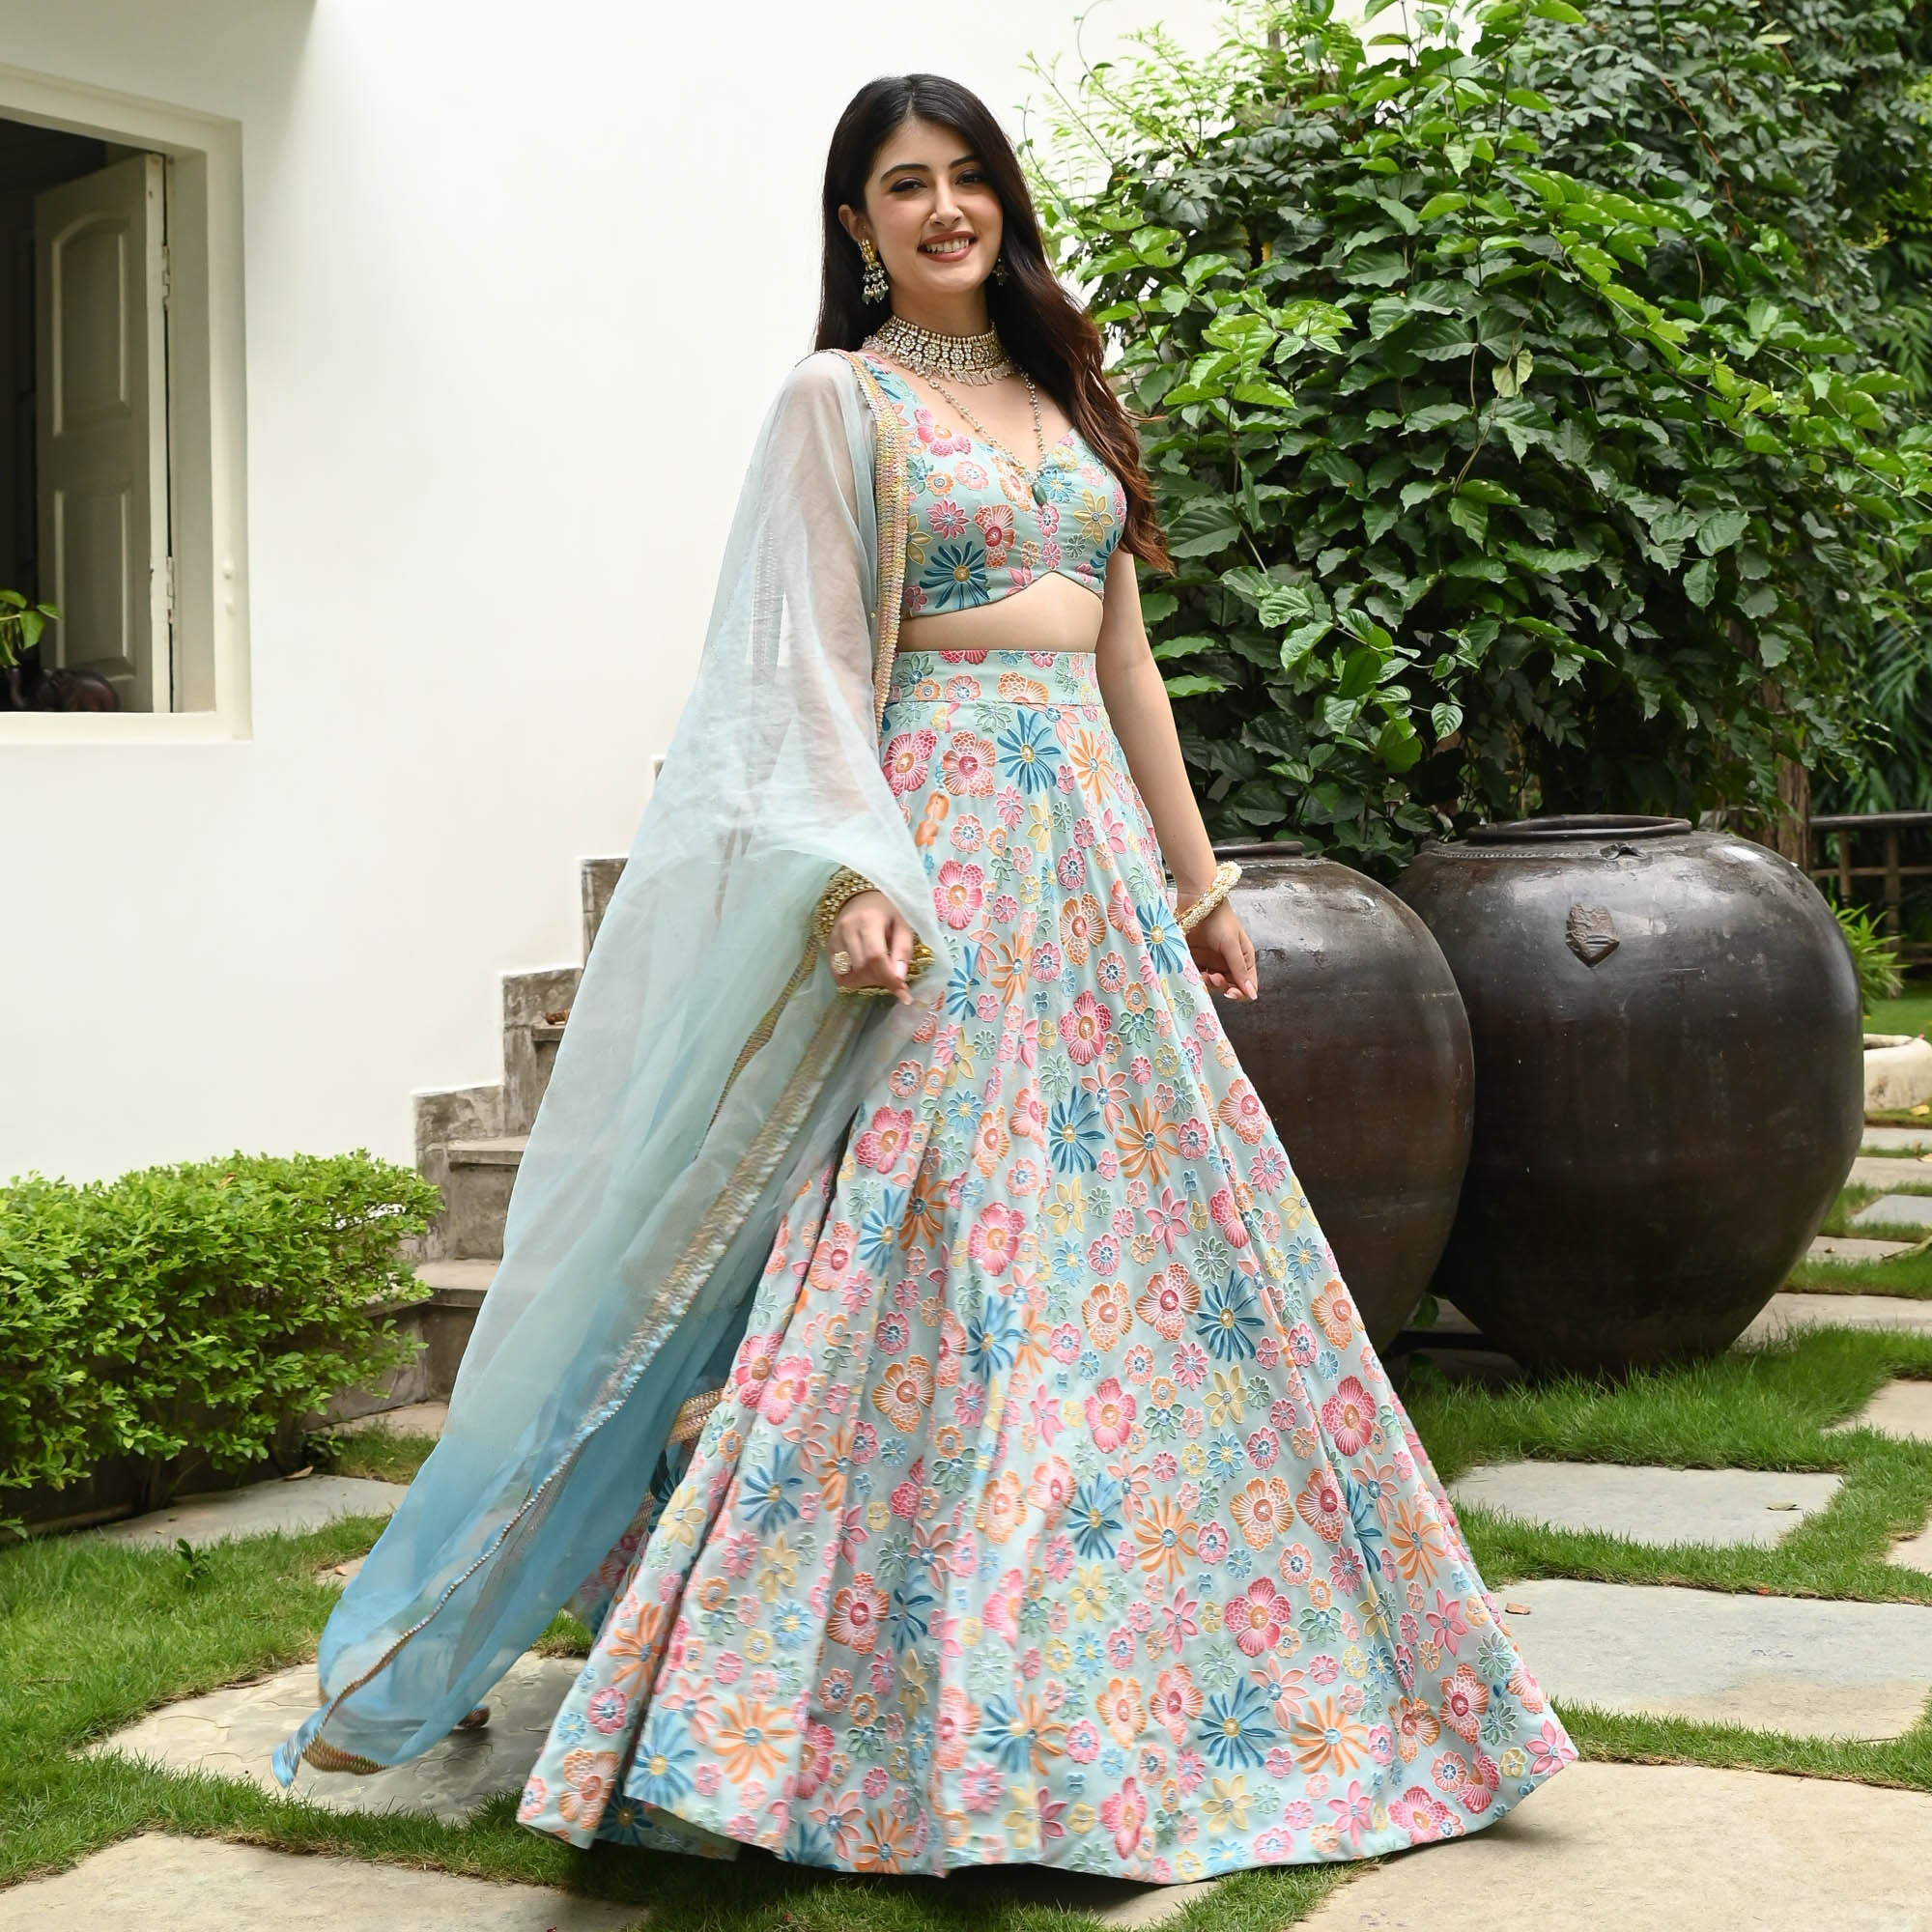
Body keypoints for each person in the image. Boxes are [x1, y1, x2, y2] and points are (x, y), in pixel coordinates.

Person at [274, 71, 1576, 1883]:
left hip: (1092, 870)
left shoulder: (1065, 390)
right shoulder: (839, 401)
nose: (946, 208)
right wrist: (851, 883)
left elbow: (1125, 664)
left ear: (1002, 200)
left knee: (1143, 1247)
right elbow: (802, 667)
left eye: (970, 177)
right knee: (933, 1232)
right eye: (906, 184)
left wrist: (1200, 882)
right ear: (857, 222)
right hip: (939, 847)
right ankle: (825, 1693)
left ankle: (1156, 1660)